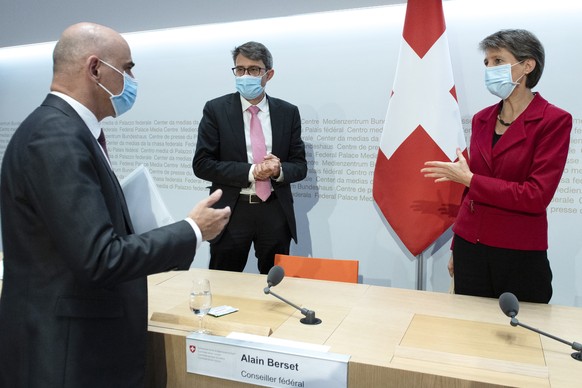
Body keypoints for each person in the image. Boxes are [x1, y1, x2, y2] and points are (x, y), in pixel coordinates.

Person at [0, 22, 231, 387]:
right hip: (68, 356)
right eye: (126, 68)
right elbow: (100, 258)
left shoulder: (65, 131)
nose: (132, 78)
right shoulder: (55, 137)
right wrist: (192, 230)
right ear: (95, 69)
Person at [421, 29, 572, 304]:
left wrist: (471, 180)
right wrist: (456, 246)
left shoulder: (554, 120)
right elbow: (470, 194)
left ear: (527, 65)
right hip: (471, 248)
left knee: (518, 338)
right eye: (487, 62)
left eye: (498, 61)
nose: (490, 68)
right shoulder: (482, 119)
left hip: (518, 253)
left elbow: (536, 195)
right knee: (469, 335)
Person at [193, 41, 307, 274]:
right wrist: (251, 172)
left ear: (269, 74)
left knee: (274, 283)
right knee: (225, 282)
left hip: (274, 210)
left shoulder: (288, 112)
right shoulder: (216, 109)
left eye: (254, 70)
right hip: (231, 211)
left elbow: (299, 166)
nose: (246, 75)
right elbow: (202, 164)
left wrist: (278, 169)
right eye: (240, 69)